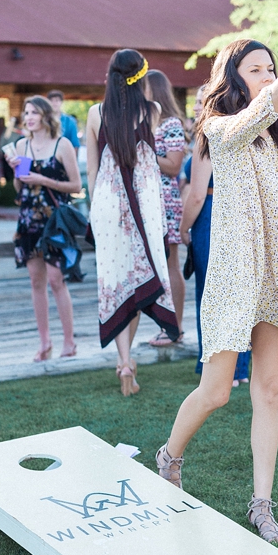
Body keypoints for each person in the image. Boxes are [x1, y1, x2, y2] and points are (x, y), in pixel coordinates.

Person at [155, 10, 278, 543]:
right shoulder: (220, 128)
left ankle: (261, 504)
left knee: (269, 390)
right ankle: (169, 457)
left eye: (272, 68)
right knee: (216, 392)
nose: (268, 76)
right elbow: (265, 109)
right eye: (259, 69)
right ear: (234, 77)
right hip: (238, 270)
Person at [85, 50, 179, 395]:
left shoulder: (95, 113)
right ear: (141, 76)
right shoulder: (152, 111)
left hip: (107, 205)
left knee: (114, 279)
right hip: (145, 206)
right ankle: (128, 363)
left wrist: (95, 212)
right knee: (142, 280)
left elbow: (92, 171)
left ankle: (123, 361)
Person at [179, 86, 250, 389]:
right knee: (239, 295)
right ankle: (241, 367)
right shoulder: (248, 132)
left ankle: (217, 369)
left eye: (200, 101)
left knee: (211, 295)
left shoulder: (208, 134)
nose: (196, 107)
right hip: (243, 215)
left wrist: (184, 228)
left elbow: (195, 195)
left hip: (212, 212)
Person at [4, 95, 82, 361]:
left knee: (56, 280)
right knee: (36, 281)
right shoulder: (21, 145)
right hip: (28, 219)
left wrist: (43, 179)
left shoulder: (63, 145)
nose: (28, 117)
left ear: (46, 116)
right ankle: (44, 342)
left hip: (53, 220)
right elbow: (20, 187)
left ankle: (69, 342)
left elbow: (76, 186)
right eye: (26, 113)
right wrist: (17, 170)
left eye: (34, 112)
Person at [144, 70, 187, 347]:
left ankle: (175, 328)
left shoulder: (171, 124)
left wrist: (145, 150)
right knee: (154, 266)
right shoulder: (144, 123)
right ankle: (165, 324)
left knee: (171, 263)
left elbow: (173, 165)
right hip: (146, 200)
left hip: (165, 201)